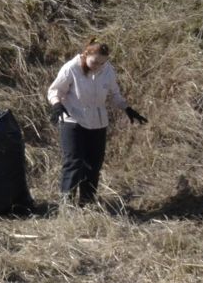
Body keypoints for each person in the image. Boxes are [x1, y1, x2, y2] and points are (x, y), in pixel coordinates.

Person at [46, 40, 147, 207]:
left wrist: (127, 109)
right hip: (73, 120)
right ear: (86, 55)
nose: (97, 66)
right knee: (74, 162)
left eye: (102, 63)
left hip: (98, 123)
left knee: (94, 164)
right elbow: (54, 90)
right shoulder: (71, 68)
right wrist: (57, 105)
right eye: (94, 62)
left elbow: (115, 94)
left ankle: (87, 203)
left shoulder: (108, 70)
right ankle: (67, 206)